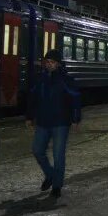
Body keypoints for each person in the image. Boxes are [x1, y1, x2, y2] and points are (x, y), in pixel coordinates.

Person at [26, 49, 82, 198]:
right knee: (37, 150)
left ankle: (57, 186)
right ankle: (50, 175)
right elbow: (32, 98)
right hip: (43, 122)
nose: (49, 64)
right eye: (47, 62)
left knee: (58, 156)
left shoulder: (65, 80)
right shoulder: (40, 79)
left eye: (52, 62)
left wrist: (76, 118)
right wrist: (29, 117)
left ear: (58, 63)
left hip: (61, 123)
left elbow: (75, 100)